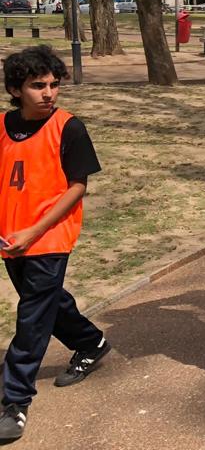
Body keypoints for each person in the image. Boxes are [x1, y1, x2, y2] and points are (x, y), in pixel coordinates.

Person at [0, 47, 105, 442]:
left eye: (53, 85)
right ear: (15, 89)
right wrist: (14, 233)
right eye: (37, 86)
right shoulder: (2, 126)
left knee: (31, 316)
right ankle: (91, 341)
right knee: (46, 301)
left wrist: (33, 231)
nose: (48, 93)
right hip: (12, 239)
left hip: (49, 237)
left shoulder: (69, 128)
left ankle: (15, 400)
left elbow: (77, 187)